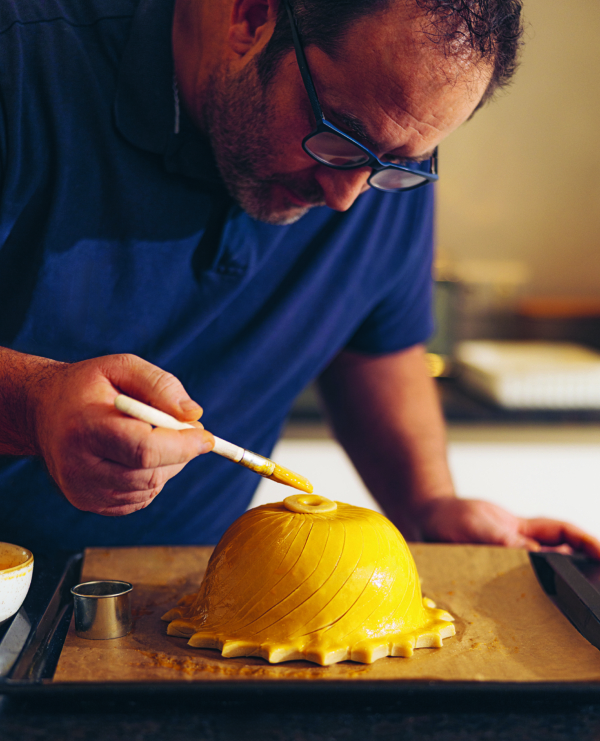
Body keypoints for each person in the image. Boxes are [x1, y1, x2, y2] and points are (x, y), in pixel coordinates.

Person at [0, 0, 598, 558]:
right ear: (251, 17)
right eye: (338, 135)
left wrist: (430, 508)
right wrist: (33, 406)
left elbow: (378, 352)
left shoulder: (381, 164)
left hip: (181, 599)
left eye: (403, 163)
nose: (345, 198)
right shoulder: (22, 60)